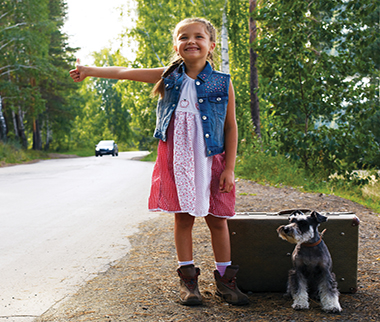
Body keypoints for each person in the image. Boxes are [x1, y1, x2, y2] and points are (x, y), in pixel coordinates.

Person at [69, 17, 248, 306]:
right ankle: (189, 282)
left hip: (211, 159)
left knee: (218, 220)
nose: (191, 41)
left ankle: (226, 282)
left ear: (211, 45)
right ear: (176, 47)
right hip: (178, 159)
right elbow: (124, 72)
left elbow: (231, 127)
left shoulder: (221, 83)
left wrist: (229, 168)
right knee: (183, 217)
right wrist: (90, 71)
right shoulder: (168, 76)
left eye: (199, 37)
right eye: (184, 37)